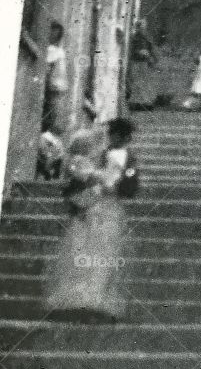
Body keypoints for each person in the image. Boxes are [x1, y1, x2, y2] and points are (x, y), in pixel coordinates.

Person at [45, 117, 136, 323]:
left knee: (100, 253)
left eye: (113, 134)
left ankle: (94, 298)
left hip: (106, 207)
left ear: (121, 137)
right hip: (94, 205)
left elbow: (115, 184)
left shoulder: (123, 158)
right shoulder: (104, 155)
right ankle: (78, 297)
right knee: (82, 250)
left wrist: (96, 177)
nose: (109, 138)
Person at [42, 21, 69, 136]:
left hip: (53, 86)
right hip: (52, 86)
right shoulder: (54, 51)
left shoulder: (56, 51)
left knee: (50, 110)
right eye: (52, 32)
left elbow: (54, 69)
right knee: (49, 110)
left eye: (56, 34)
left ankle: (47, 129)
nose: (53, 35)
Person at [127, 18, 158, 111]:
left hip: (144, 62)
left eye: (144, 27)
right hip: (136, 61)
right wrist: (139, 52)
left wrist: (153, 58)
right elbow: (131, 50)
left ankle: (145, 103)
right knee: (136, 83)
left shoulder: (147, 38)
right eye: (141, 27)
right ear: (138, 28)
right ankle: (136, 103)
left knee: (145, 83)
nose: (143, 29)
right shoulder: (134, 38)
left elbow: (151, 48)